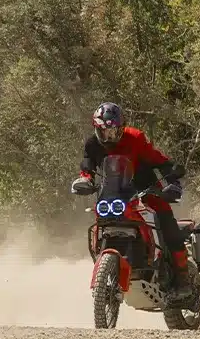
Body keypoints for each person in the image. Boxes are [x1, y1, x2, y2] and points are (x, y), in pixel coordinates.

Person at [70, 102, 191, 292]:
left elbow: (158, 160)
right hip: (113, 194)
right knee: (99, 218)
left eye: (113, 131)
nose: (108, 137)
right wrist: (84, 181)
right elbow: (87, 168)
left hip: (145, 188)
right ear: (96, 129)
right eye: (103, 132)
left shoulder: (135, 138)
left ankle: (183, 280)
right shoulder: (92, 144)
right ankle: (106, 267)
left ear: (121, 127)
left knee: (167, 223)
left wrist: (172, 180)